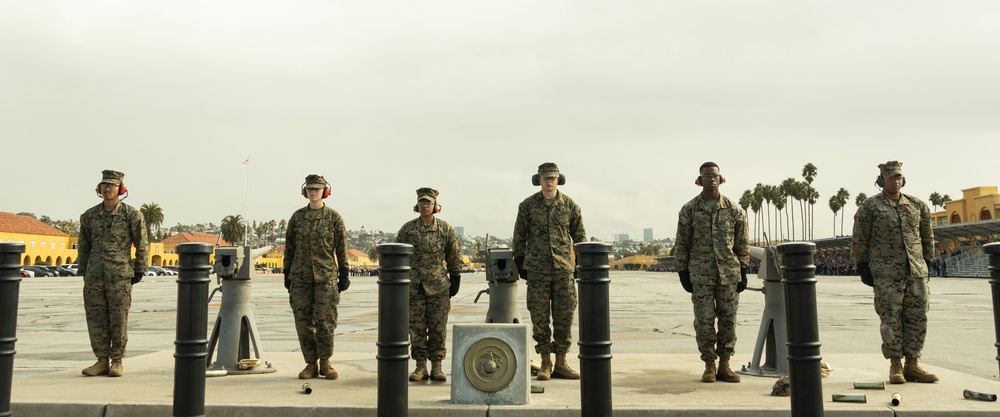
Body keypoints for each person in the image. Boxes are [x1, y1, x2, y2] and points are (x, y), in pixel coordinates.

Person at [851, 161, 938, 384]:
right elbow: (860, 238)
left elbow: (927, 236)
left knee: (918, 317)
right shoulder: (870, 207)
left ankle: (913, 364)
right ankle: (895, 365)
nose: (896, 181)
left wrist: (927, 261)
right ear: (882, 180)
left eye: (899, 177)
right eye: (891, 178)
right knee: (890, 319)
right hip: (886, 274)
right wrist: (862, 265)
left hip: (915, 272)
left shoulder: (917, 205)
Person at [673, 161, 749, 383]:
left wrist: (743, 269)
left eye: (714, 175)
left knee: (728, 321)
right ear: (699, 180)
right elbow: (682, 243)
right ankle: (709, 365)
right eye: (706, 176)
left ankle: (725, 364)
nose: (711, 179)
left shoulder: (734, 210)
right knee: (704, 321)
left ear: (721, 178)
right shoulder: (689, 210)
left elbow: (742, 243)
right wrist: (682, 271)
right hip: (701, 275)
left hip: (729, 275)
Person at [512, 162, 586, 380]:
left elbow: (580, 236)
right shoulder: (527, 206)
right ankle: (545, 362)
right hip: (537, 270)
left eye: (553, 177)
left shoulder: (570, 206)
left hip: (563, 269)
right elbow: (519, 236)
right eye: (545, 178)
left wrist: (580, 263)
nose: (549, 181)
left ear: (558, 179)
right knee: (540, 317)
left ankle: (561, 362)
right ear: (539, 180)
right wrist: (520, 261)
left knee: (564, 316)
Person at [77, 169, 148, 377]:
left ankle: (117, 360)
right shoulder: (89, 216)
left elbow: (142, 244)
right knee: (96, 319)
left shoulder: (131, 215)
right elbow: (83, 245)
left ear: (121, 189)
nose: (107, 188)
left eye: (112, 185)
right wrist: (84, 270)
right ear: (98, 189)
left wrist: (140, 269)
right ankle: (101, 360)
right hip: (94, 277)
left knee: (118, 319)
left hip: (119, 277)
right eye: (104, 185)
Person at [283, 174, 350, 380]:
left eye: (317, 189)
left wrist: (344, 272)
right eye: (310, 189)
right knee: (303, 322)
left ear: (325, 192)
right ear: (305, 192)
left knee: (326, 322)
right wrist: (287, 273)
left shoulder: (334, 218)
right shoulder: (297, 218)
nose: (313, 192)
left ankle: (325, 362)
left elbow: (341, 248)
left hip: (326, 278)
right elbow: (290, 248)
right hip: (300, 279)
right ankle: (310, 363)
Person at [395, 187, 462, 382]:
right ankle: (420, 366)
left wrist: (456, 277)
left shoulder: (445, 229)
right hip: (414, 287)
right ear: (417, 206)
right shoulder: (408, 230)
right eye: (422, 202)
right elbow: (397, 254)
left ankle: (438, 366)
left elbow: (454, 255)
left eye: (429, 203)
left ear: (436, 206)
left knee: (438, 329)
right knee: (416, 329)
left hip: (438, 287)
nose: (425, 206)